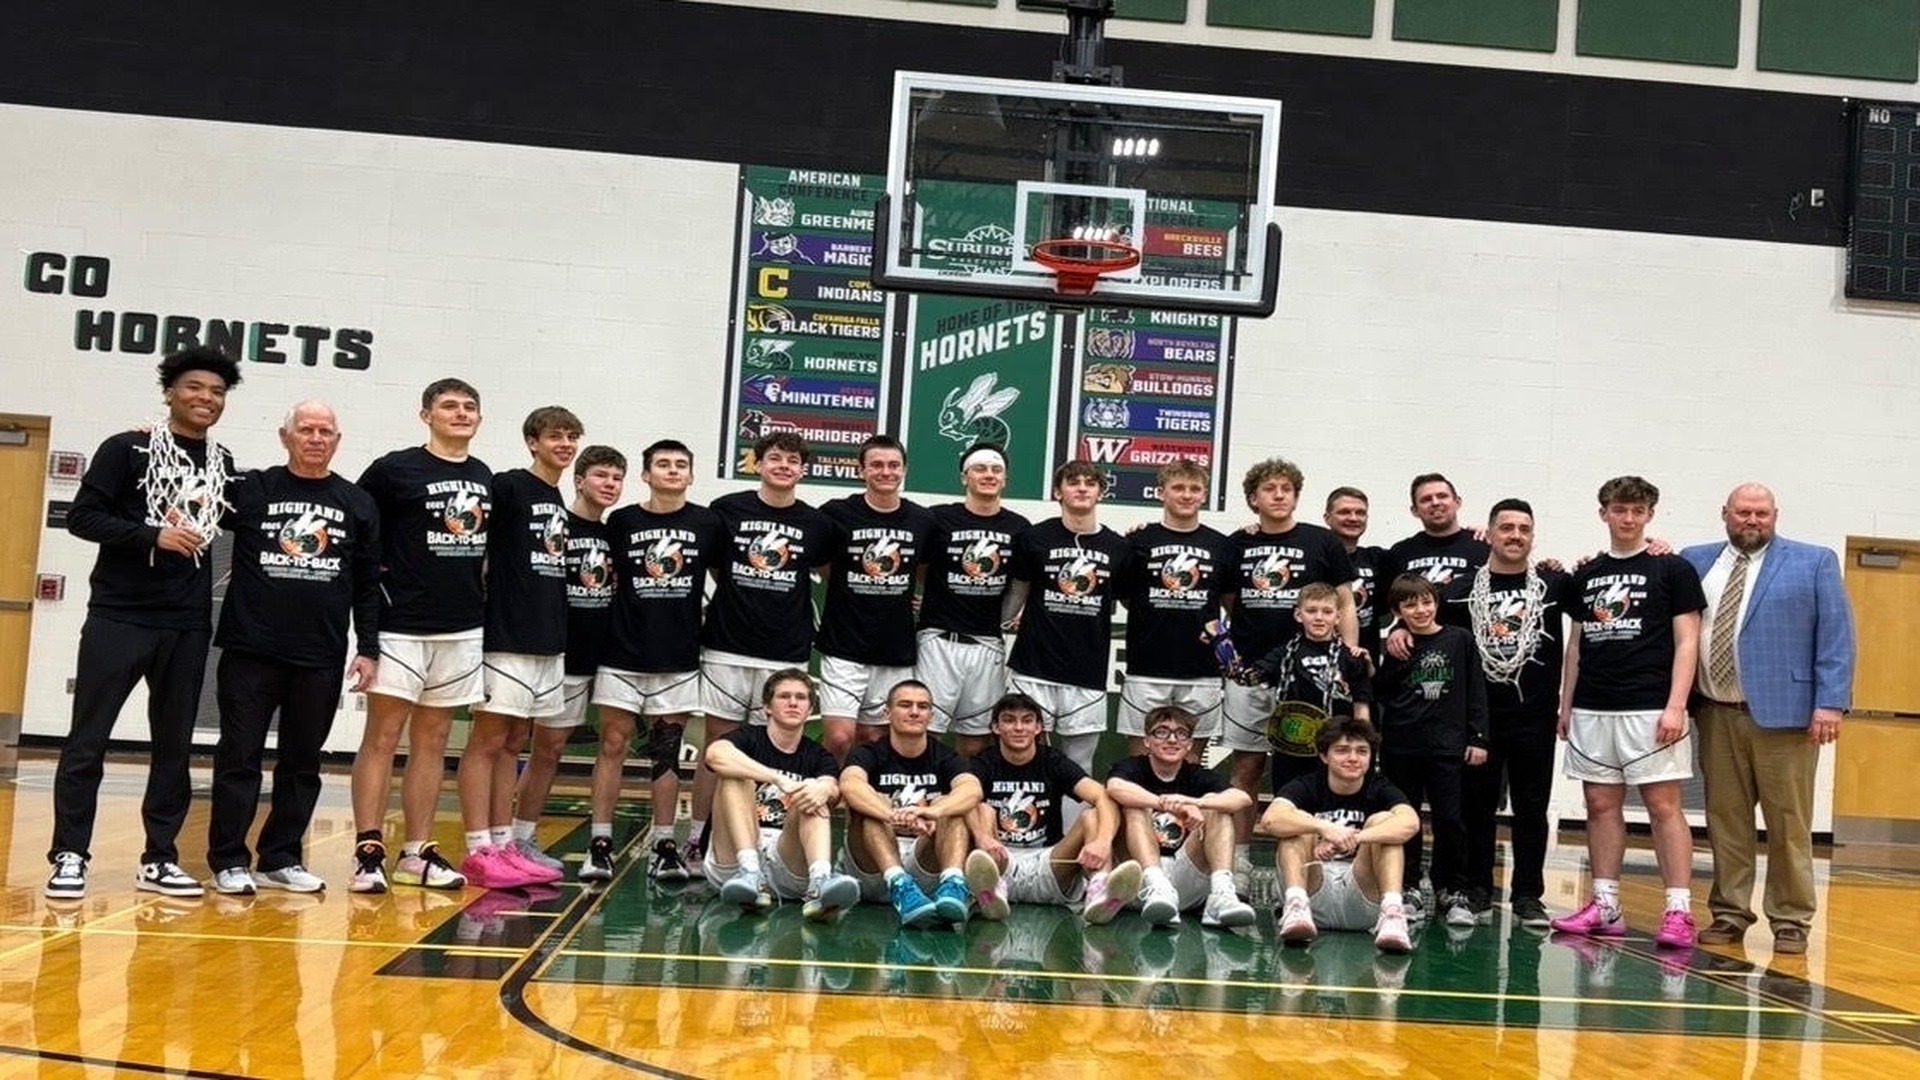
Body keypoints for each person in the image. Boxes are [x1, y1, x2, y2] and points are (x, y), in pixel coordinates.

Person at [47, 346, 241, 901]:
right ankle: (68, 854)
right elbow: (82, 517)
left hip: (186, 622)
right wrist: (149, 534)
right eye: (195, 388)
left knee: (175, 745)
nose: (206, 398)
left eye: (217, 392)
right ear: (170, 392)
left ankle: (159, 858)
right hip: (120, 615)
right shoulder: (126, 448)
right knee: (88, 738)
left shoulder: (221, 463)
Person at [205, 400, 379, 896]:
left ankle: (281, 856)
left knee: (303, 761)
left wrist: (368, 647)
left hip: (320, 654)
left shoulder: (357, 502)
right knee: (239, 756)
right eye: (306, 429)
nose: (316, 438)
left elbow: (367, 583)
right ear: (286, 437)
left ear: (337, 441)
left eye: (326, 430)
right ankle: (229, 860)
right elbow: (194, 476)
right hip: (250, 649)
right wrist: (153, 441)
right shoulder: (253, 489)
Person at [1682, 483, 1855, 955]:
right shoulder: (1694, 561)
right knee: (1725, 820)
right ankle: (1730, 913)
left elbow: (1837, 635)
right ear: (1725, 514)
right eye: (1743, 512)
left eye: (1761, 513)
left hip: (1789, 717)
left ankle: (1791, 919)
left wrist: (1831, 702)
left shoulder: (1813, 560)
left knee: (1788, 823)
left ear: (1775, 515)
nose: (1752, 520)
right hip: (1716, 713)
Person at [1550, 476, 1706, 949]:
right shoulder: (1586, 573)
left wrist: (1676, 704)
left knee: (1663, 807)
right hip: (1594, 706)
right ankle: (1605, 903)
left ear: (1650, 516)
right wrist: (1566, 701)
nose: (1629, 518)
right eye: (1620, 510)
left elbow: (1687, 641)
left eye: (1638, 511)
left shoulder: (1672, 569)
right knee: (1599, 805)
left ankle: (1679, 909)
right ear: (1604, 514)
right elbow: (1576, 644)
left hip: (1651, 705)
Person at [349, 378, 492, 893]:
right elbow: (355, 522)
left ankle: (418, 851)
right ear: (425, 415)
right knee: (383, 738)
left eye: (469, 406)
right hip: (401, 624)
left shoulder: (482, 475)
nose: (460, 413)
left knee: (432, 741)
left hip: (460, 627)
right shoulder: (394, 469)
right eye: (449, 406)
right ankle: (368, 849)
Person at [583, 439, 721, 882]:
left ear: (691, 474)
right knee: (613, 745)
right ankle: (600, 843)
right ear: (646, 475)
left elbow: (721, 575)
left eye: (681, 464)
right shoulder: (622, 521)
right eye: (663, 464)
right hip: (622, 653)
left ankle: (664, 842)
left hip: (677, 658)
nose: (673, 470)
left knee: (666, 753)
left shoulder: (707, 522)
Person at [692, 432, 834, 862]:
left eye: (793, 460)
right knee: (719, 745)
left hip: (785, 650)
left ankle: (753, 841)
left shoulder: (816, 524)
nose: (784, 466)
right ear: (758, 463)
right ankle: (699, 839)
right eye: (775, 458)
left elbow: (826, 572)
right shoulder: (727, 510)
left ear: (803, 469)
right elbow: (717, 566)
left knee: (772, 747)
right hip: (727, 644)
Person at [455, 407, 579, 889]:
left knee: (513, 744)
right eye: (555, 436)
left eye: (571, 436)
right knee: (485, 742)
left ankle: (504, 842)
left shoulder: (556, 496)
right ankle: (477, 847)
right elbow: (474, 543)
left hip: (546, 640)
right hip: (506, 636)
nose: (564, 444)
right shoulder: (508, 485)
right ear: (532, 442)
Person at [1439, 498, 1568, 928]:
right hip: (1480, 718)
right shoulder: (1459, 590)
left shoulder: (1554, 584)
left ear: (1533, 536)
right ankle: (1478, 887)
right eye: (1507, 528)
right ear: (1489, 534)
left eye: (1524, 529)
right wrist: (1400, 631)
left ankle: (1529, 893)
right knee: (1477, 807)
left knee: (1532, 808)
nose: (1515, 535)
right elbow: (1426, 626)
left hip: (1534, 715)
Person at [1217, 458, 1357, 838]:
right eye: (1269, 489)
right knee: (1246, 769)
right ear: (1253, 499)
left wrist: (1347, 657)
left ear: (1296, 497)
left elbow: (1345, 602)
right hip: (1253, 677)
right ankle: (1240, 860)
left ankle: (1314, 857)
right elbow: (1230, 603)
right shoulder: (1237, 544)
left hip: (1312, 678)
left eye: (1286, 490)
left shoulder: (1322, 542)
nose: (1279, 495)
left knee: (1315, 769)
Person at [509, 444, 625, 877]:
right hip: (556, 650)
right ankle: (516, 837)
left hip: (602, 654)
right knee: (543, 748)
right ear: (580, 480)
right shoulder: (559, 524)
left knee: (579, 747)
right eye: (601, 476)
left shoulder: (615, 533)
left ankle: (525, 836)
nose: (609, 485)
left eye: (616, 478)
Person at [962, 693, 1142, 924]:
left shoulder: (1053, 761)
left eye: (1027, 720)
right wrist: (981, 837)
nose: (1019, 728)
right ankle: (988, 894)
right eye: (1009, 720)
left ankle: (1100, 888)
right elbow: (961, 797)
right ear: (996, 728)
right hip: (999, 864)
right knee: (978, 806)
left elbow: (1101, 796)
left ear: (1039, 728)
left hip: (1050, 865)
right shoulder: (983, 763)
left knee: (1092, 815)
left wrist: (1103, 842)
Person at [1003, 460, 1135, 772]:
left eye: (1090, 483)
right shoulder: (1034, 538)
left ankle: (1073, 824)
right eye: (1073, 482)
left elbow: (1136, 605)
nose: (1081, 488)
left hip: (1086, 673)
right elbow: (1014, 600)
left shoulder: (1119, 548)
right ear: (1058, 491)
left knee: (1079, 765)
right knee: (1024, 759)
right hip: (1032, 669)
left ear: (1101, 492)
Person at [1372, 574, 1488, 926]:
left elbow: (1476, 691)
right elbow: (1382, 692)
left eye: (1426, 602)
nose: (1420, 610)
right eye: (1409, 605)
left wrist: (1478, 738)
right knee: (1405, 821)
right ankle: (1405, 886)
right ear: (1397, 611)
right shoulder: (1396, 645)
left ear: (1436, 603)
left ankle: (1453, 889)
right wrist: (1392, 652)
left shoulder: (1459, 640)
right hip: (1402, 745)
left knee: (1450, 819)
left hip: (1447, 747)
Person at [703, 669, 862, 920]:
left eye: (801, 698)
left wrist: (823, 788)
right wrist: (777, 778)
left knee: (814, 792)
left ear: (810, 710)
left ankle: (820, 883)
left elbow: (831, 789)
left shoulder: (818, 755)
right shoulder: (748, 738)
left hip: (788, 858)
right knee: (734, 775)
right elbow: (715, 754)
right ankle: (751, 873)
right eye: (784, 696)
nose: (792, 702)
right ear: (767, 707)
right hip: (733, 859)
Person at [816, 435, 935, 762]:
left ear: (904, 470)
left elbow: (924, 572)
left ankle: (860, 813)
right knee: (840, 738)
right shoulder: (836, 514)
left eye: (894, 465)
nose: (886, 472)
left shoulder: (922, 521)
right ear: (861, 470)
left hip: (894, 649)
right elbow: (824, 566)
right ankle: (823, 807)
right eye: (877, 465)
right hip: (844, 644)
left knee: (873, 740)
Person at [1256, 715, 1419, 953]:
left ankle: (1392, 913)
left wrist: (1357, 837)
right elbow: (1271, 819)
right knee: (1298, 821)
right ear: (1324, 756)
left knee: (1383, 823)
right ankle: (1295, 905)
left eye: (1362, 751)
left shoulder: (1380, 787)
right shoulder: (1306, 785)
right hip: (1313, 893)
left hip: (1361, 894)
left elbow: (1410, 823)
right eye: (1342, 750)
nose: (1353, 758)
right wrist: (1325, 829)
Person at [838, 680, 982, 927]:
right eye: (905, 705)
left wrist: (933, 811)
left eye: (923, 706)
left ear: (931, 715)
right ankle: (899, 884)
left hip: (923, 861)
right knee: (871, 802)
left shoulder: (945, 755)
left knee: (952, 803)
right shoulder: (869, 753)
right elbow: (850, 785)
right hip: (873, 867)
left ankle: (953, 883)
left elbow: (972, 790)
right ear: (887, 713)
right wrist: (891, 814)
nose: (915, 712)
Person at [917, 443, 1029, 757]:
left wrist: (1004, 617)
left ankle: (963, 805)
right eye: (980, 469)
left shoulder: (1019, 528)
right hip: (938, 640)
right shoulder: (937, 519)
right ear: (964, 477)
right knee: (926, 731)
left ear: (1005, 480)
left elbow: (1022, 582)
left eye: (996, 470)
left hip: (987, 644)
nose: (989, 475)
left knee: (977, 740)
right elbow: (922, 569)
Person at [1105, 706, 1254, 929]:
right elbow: (1115, 787)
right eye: (1162, 732)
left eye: (1181, 733)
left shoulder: (1197, 775)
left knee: (1218, 810)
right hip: (1139, 884)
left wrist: (1195, 803)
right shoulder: (1132, 768)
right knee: (1135, 806)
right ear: (1147, 740)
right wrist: (1167, 805)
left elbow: (1242, 798)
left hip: (1186, 879)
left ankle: (1221, 896)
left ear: (1189, 744)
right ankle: (1157, 886)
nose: (1172, 739)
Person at [1119, 459, 1230, 758]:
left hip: (1202, 670)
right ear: (1161, 493)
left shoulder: (1221, 545)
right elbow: (1127, 597)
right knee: (1140, 761)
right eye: (1178, 487)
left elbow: (1230, 603)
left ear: (1204, 495)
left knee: (1191, 762)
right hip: (1146, 668)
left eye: (1194, 489)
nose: (1186, 495)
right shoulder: (1136, 540)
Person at [1240, 581, 1373, 790]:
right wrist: (1228, 658)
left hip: (1335, 744)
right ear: (1298, 615)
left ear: (1338, 617)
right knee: (1287, 799)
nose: (1319, 617)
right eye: (1311, 611)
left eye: (1327, 611)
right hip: (1291, 746)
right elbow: (1251, 678)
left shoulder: (1352, 658)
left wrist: (1360, 746)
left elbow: (1361, 708)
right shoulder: (1283, 654)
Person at [1324, 487, 1387, 659]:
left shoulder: (1378, 558)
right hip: (1318, 660)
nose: (1353, 518)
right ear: (1327, 518)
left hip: (1365, 663)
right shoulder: (1314, 556)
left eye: (1360, 513)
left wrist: (1467, 536)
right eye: (1344, 512)